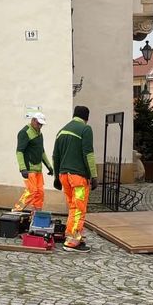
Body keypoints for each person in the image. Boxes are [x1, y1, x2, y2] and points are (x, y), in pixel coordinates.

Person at [52, 105, 98, 253]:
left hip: (64, 176)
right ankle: (72, 241)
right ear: (86, 118)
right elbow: (88, 154)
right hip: (78, 177)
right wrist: (93, 175)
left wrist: (56, 177)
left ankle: (70, 234)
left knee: (72, 206)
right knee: (79, 208)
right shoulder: (85, 129)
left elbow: (55, 156)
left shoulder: (61, 131)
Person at [12, 112, 53, 212]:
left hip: (38, 169)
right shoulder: (24, 132)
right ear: (33, 120)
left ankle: (37, 214)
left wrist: (49, 166)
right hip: (29, 168)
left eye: (41, 124)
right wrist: (23, 168)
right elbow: (19, 152)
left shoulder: (40, 134)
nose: (40, 126)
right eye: (38, 123)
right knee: (32, 191)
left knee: (40, 193)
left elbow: (41, 152)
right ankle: (17, 210)